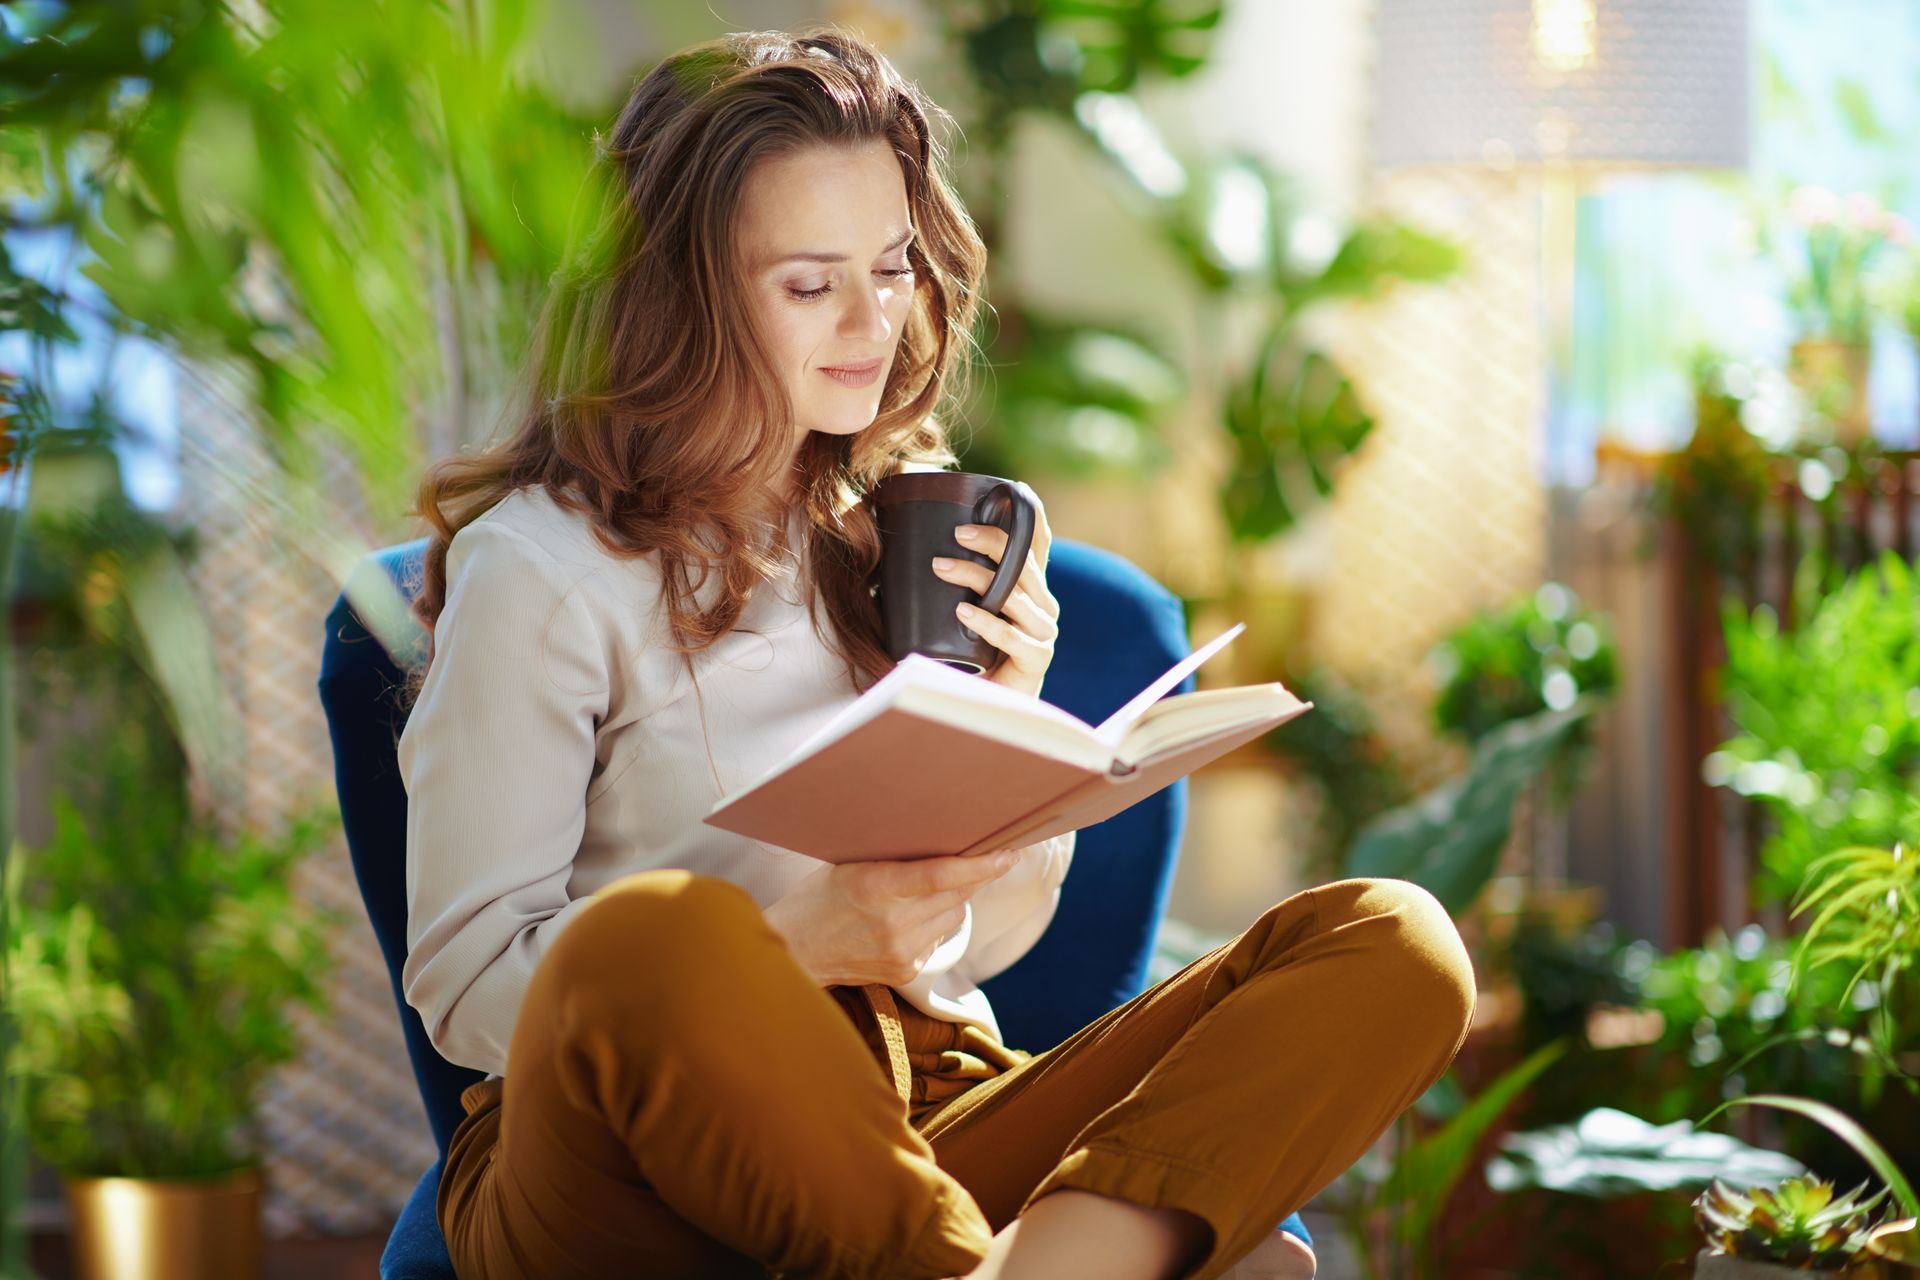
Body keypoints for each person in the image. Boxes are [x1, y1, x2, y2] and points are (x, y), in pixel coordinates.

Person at [396, 25, 1475, 1280]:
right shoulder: (540, 571)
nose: (871, 322)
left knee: (1394, 938)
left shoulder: (903, 531)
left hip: (922, 1112)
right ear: (677, 295)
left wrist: (1012, 742)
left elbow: (975, 951)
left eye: (895, 267)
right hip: (622, 1167)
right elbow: (467, 990)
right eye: (810, 285)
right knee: (660, 935)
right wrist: (798, 940)